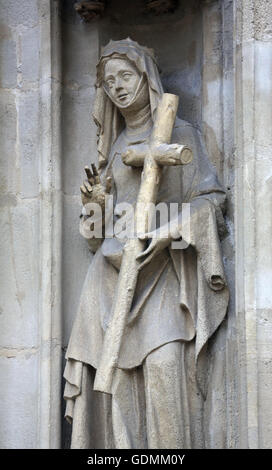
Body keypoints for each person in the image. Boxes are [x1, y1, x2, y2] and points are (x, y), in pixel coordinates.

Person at [63, 38, 229, 449]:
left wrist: (167, 232)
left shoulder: (181, 133)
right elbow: (97, 236)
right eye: (108, 81)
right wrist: (95, 206)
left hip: (164, 273)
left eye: (125, 76)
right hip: (111, 278)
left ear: (145, 78)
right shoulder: (114, 148)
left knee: (165, 368)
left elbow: (211, 203)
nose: (117, 87)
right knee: (115, 383)